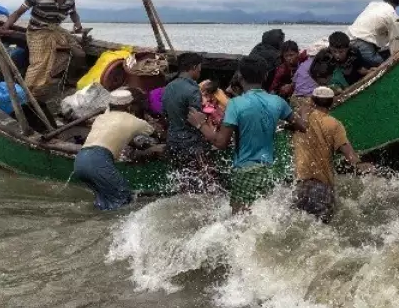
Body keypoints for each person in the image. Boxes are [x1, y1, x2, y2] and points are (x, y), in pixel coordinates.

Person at [189, 56, 306, 212]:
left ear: (240, 77)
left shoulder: (235, 105)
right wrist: (302, 113)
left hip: (245, 171)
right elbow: (302, 126)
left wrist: (200, 124)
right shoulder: (278, 102)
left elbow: (220, 143)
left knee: (239, 220)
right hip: (268, 170)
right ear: (265, 76)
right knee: (263, 217)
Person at [1, 0, 84, 99]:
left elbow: (73, 13)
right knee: (39, 62)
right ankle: (27, 92)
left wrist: (77, 24)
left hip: (55, 29)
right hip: (37, 32)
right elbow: (17, 13)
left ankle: (49, 81)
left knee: (79, 53)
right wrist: (5, 26)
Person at [291, 86, 370, 222]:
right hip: (322, 188)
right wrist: (359, 164)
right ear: (332, 102)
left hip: (300, 187)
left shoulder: (298, 121)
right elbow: (348, 152)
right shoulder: (334, 124)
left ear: (313, 100)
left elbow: (298, 103)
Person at [72, 88, 155, 211]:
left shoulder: (100, 118)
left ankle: (96, 221)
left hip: (80, 160)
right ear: (130, 106)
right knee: (124, 197)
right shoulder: (134, 121)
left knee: (105, 200)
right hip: (98, 160)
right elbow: (155, 132)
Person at [163, 52, 221, 192]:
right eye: (199, 68)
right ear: (194, 67)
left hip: (172, 141)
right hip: (191, 143)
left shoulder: (169, 87)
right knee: (208, 181)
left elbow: (164, 113)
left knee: (183, 181)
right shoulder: (193, 89)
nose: (200, 71)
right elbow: (196, 118)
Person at [347, 0, 399, 69]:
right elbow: (396, 48)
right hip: (363, 46)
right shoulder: (394, 17)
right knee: (388, 63)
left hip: (349, 40)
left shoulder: (372, 5)